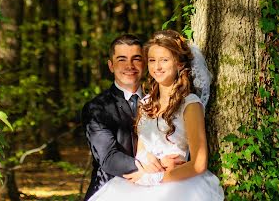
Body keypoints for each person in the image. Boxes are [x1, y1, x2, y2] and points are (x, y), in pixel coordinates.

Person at [86, 30, 224, 201]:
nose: (157, 67)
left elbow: (199, 163)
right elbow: (138, 152)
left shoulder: (190, 104)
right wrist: (148, 164)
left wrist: (159, 176)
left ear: (180, 64)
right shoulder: (146, 103)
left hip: (178, 185)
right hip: (141, 180)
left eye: (164, 60)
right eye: (152, 60)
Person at [82, 34, 179, 200]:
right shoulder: (97, 108)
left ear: (145, 63)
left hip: (164, 189)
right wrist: (149, 169)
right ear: (111, 66)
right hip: (112, 189)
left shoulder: (162, 100)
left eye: (136, 59)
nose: (130, 66)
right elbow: (108, 157)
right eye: (122, 59)